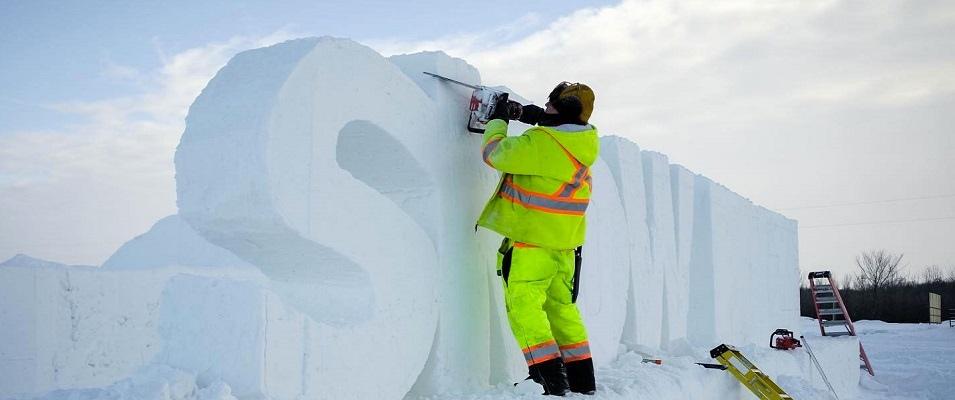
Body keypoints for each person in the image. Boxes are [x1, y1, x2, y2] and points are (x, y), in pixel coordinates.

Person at [476, 82, 599, 396]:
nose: (545, 110)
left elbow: (495, 153)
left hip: (532, 244)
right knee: (562, 311)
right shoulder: (584, 143)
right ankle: (582, 382)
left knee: (524, 308)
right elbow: (556, 136)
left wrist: (498, 121)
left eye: (550, 106)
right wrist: (531, 116)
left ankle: (549, 380)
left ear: (562, 110)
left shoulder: (541, 142)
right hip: (565, 246)